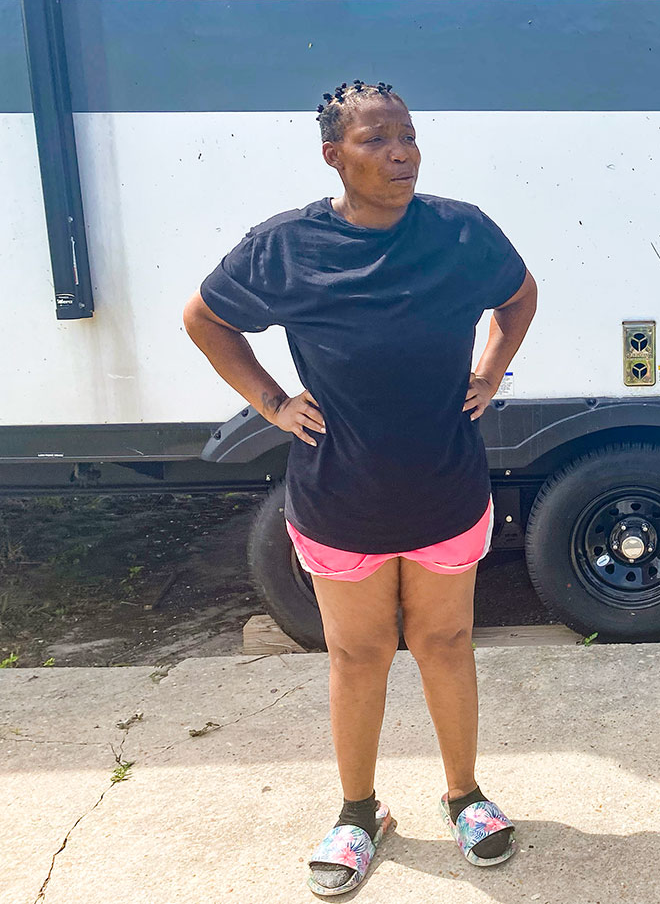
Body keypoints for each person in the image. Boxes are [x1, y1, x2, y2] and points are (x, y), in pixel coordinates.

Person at [183, 80, 538, 896]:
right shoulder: (286, 247)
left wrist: (490, 369)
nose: (402, 151)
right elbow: (206, 317)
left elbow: (517, 296)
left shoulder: (460, 231)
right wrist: (270, 401)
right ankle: (358, 812)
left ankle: (465, 796)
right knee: (358, 653)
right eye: (378, 139)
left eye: (408, 134)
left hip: (445, 487)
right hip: (341, 495)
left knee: (446, 645)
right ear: (333, 156)